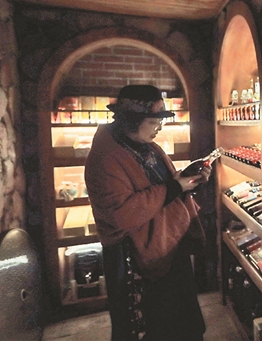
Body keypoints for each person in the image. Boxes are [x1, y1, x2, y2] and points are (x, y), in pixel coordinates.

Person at [85, 85, 209, 340]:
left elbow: (164, 184)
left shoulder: (145, 145)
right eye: (154, 121)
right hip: (136, 258)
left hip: (165, 246)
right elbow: (123, 214)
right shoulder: (106, 157)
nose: (159, 127)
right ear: (132, 120)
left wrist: (188, 180)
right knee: (153, 329)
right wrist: (176, 186)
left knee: (183, 325)